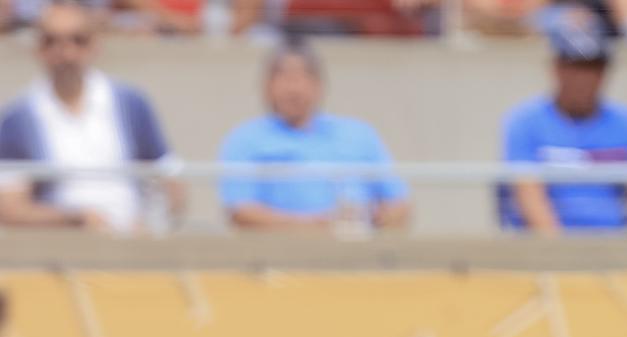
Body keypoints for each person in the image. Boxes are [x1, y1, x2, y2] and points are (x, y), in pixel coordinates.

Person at [0, 0, 183, 234]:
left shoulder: (131, 103)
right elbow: (10, 208)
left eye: (78, 40)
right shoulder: (18, 117)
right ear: (38, 48)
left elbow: (171, 183)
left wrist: (152, 225)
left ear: (96, 44)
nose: (66, 52)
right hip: (58, 254)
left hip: (133, 248)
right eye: (52, 41)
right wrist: (75, 219)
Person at [499, 6, 627, 235]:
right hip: (547, 256)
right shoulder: (524, 121)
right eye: (575, 67)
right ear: (557, 68)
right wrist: (566, 258)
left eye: (592, 68)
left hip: (616, 251)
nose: (584, 78)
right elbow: (529, 197)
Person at [218, 41, 411, 234]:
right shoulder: (245, 139)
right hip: (278, 254)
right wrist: (314, 226)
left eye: (303, 77)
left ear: (319, 84)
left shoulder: (359, 134)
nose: (294, 89)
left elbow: (400, 207)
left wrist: (372, 218)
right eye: (284, 78)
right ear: (266, 86)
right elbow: (240, 213)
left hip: (357, 251)